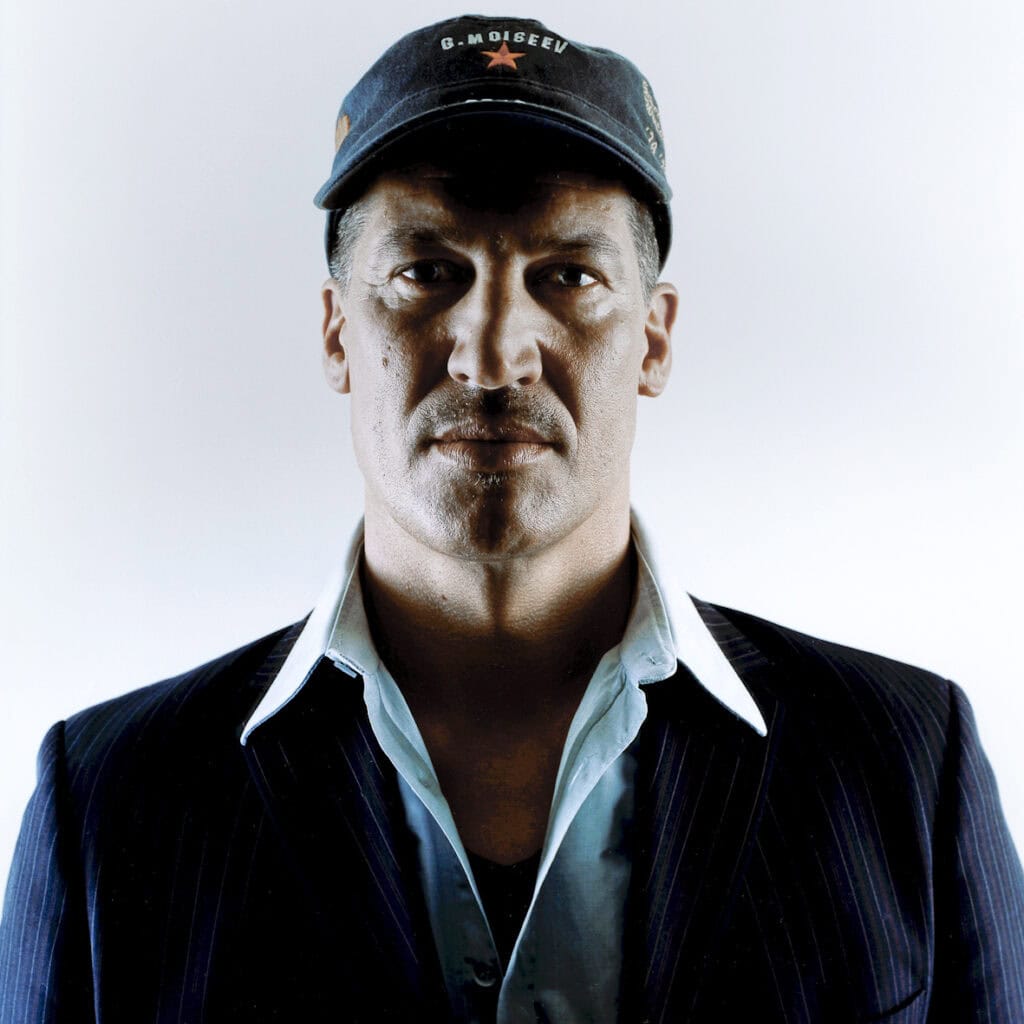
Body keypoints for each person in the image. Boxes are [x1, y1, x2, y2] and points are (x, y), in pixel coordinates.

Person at [1, 13, 1022, 1023]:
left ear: (654, 338)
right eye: (426, 272)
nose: (492, 356)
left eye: (567, 275)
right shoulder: (109, 803)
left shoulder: (903, 765)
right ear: (336, 331)